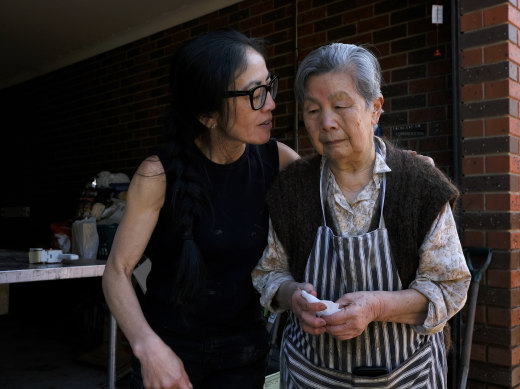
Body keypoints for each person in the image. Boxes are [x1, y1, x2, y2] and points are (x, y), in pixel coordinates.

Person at [252, 42, 471, 388]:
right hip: (313, 376)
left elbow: (449, 287)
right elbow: (268, 274)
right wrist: (293, 295)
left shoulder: (418, 183)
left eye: (341, 105)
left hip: (406, 375)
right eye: (312, 111)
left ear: (375, 108)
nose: (326, 122)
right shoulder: (292, 188)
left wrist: (376, 307)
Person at [101, 29, 299, 389]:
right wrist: (147, 347)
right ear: (207, 114)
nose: (270, 102)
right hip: (169, 349)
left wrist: (402, 167)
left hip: (244, 353)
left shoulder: (278, 160)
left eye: (270, 86)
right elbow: (116, 271)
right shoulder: (157, 175)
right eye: (255, 93)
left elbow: (342, 189)